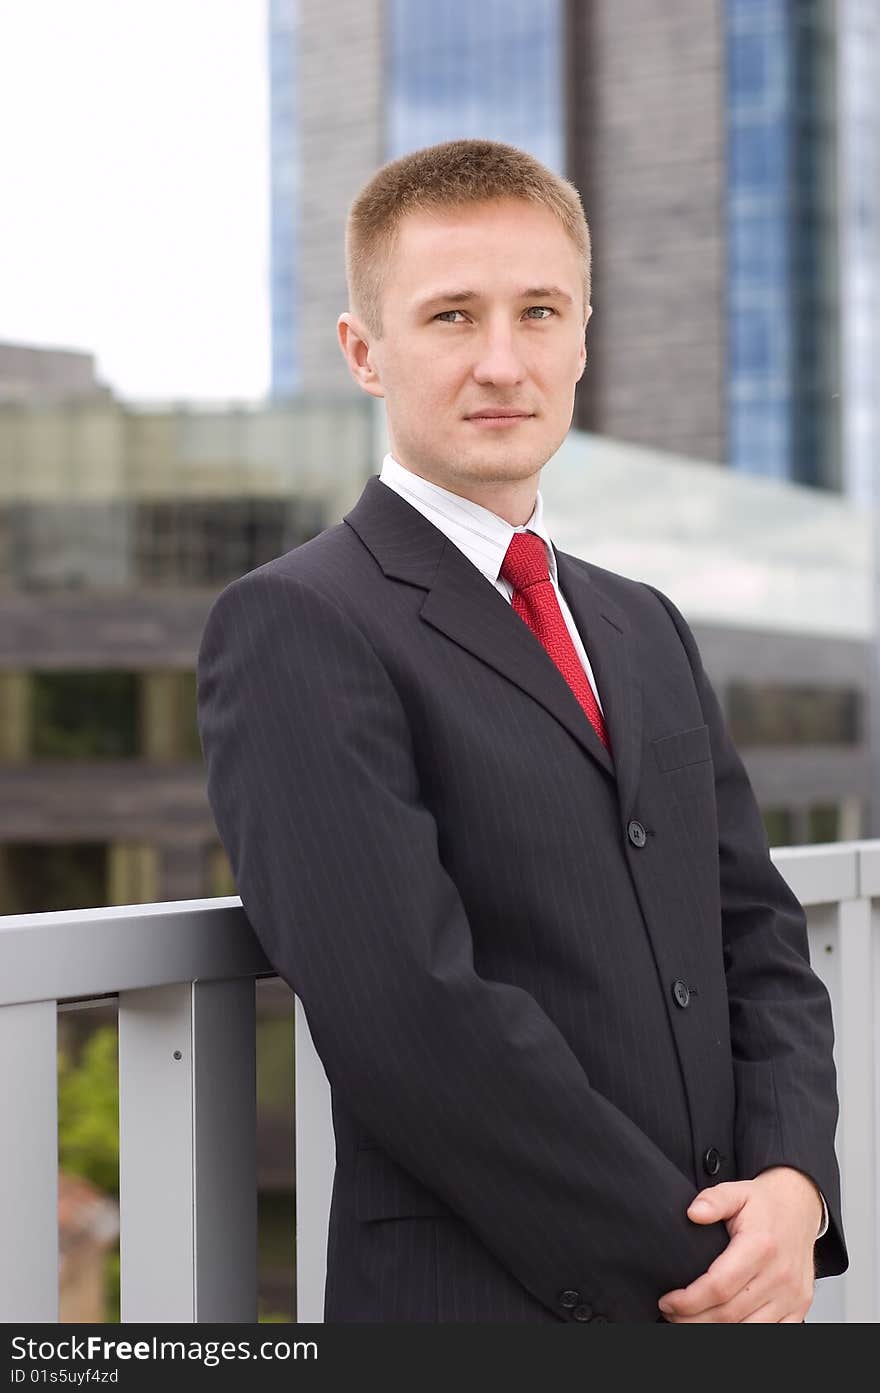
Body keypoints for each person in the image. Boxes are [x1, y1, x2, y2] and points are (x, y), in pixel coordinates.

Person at [196, 138, 848, 1323]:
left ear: (582, 336)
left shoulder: (641, 622)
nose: (503, 361)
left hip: (730, 1284)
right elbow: (410, 1014)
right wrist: (693, 1263)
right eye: (451, 315)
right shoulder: (294, 621)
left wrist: (795, 1187)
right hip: (493, 1303)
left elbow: (753, 932)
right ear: (365, 351)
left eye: (538, 311)